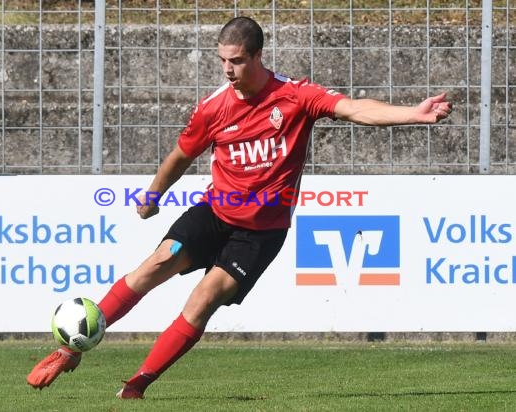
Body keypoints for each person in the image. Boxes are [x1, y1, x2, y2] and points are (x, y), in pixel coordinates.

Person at [26, 16, 452, 399]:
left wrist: (414, 114)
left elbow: (357, 108)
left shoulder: (296, 96)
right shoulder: (214, 107)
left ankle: (136, 386)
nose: (228, 70)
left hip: (260, 234)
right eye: (222, 61)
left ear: (258, 56)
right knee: (155, 264)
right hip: (214, 211)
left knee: (202, 298)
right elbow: (180, 155)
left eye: (236, 60)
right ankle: (72, 347)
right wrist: (153, 194)